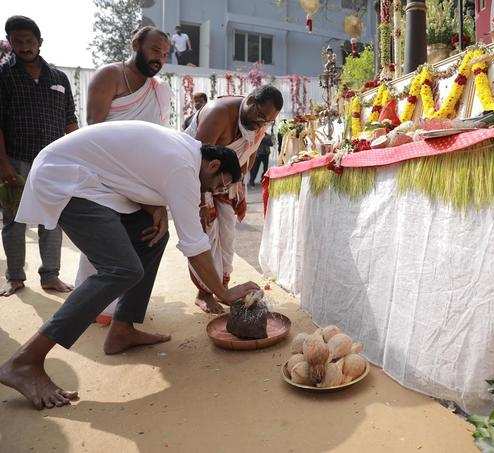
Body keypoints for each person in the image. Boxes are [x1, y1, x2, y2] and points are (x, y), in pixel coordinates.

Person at [0, 120, 260, 410]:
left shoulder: (188, 152)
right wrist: (223, 293)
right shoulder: (184, 169)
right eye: (218, 185)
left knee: (153, 235)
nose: (212, 192)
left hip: (92, 179)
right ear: (212, 166)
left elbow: (136, 170)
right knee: (121, 269)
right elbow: (194, 245)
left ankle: (122, 329)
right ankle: (25, 361)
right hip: (67, 179)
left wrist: (155, 205)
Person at [75, 25, 172, 326]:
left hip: (141, 182)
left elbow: (159, 141)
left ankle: (125, 315)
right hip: (105, 177)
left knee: (151, 236)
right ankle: (94, 307)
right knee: (104, 245)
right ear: (136, 44)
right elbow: (93, 131)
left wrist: (156, 194)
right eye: (155, 50)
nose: (160, 59)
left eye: (165, 54)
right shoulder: (110, 76)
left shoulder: (161, 92)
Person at [185, 85, 283, 313]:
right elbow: (197, 160)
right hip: (200, 179)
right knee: (206, 234)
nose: (260, 125)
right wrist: (200, 200)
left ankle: (223, 285)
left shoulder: (258, 122)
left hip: (228, 180)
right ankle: (204, 292)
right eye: (259, 117)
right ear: (249, 100)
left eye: (266, 122)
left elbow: (249, 152)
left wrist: (239, 186)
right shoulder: (219, 113)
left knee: (227, 234)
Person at [0, 16, 78, 297]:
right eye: (17, 41)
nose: (24, 47)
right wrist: (4, 165)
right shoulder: (3, 77)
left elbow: (70, 119)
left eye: (29, 41)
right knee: (14, 221)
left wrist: (77, 155)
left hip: (53, 162)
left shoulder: (58, 78)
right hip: (16, 161)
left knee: (52, 218)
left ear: (39, 42)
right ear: (10, 43)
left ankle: (50, 276)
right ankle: (15, 277)